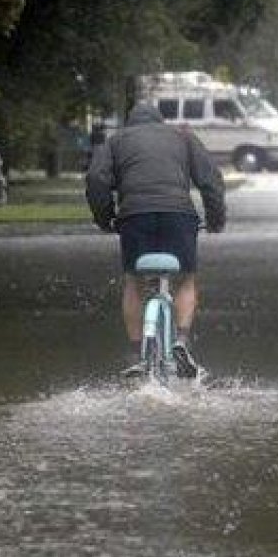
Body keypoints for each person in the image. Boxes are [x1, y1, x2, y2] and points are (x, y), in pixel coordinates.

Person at [85, 101, 226, 378]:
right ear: (160, 121)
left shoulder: (116, 141)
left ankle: (138, 350)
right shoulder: (183, 137)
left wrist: (106, 218)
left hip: (135, 217)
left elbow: (96, 179)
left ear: (130, 123)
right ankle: (181, 341)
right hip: (179, 215)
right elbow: (211, 180)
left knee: (134, 281)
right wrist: (216, 219)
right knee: (185, 279)